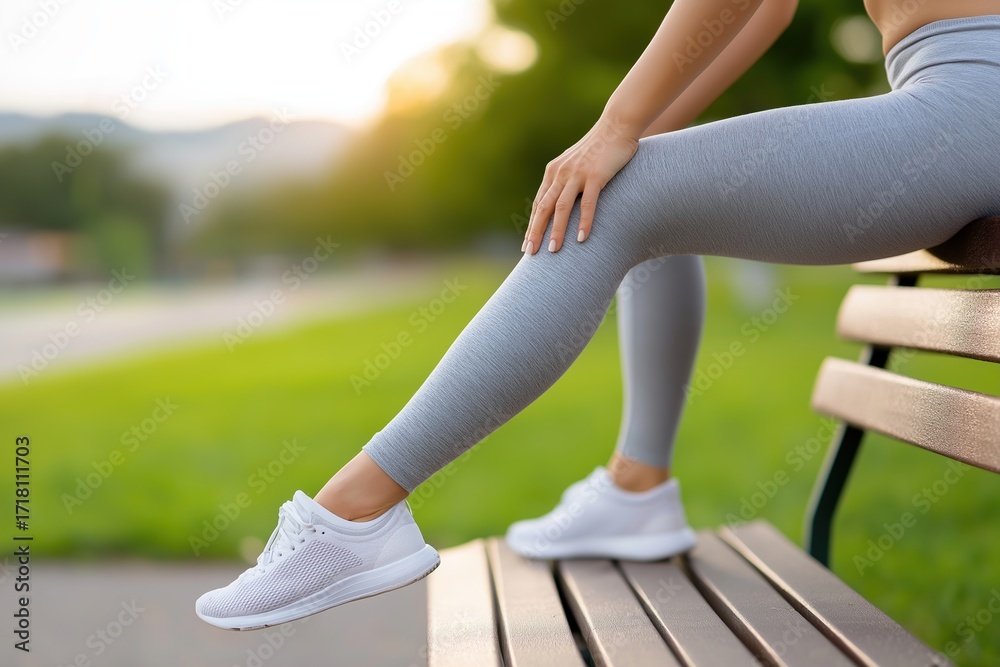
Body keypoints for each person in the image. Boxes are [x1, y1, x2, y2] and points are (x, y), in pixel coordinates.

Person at [196, 0, 1000, 631]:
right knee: (631, 188)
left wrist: (616, 131)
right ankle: (635, 485)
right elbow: (772, 8)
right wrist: (644, 134)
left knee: (619, 184)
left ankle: (355, 511)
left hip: (974, 100)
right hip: (961, 98)